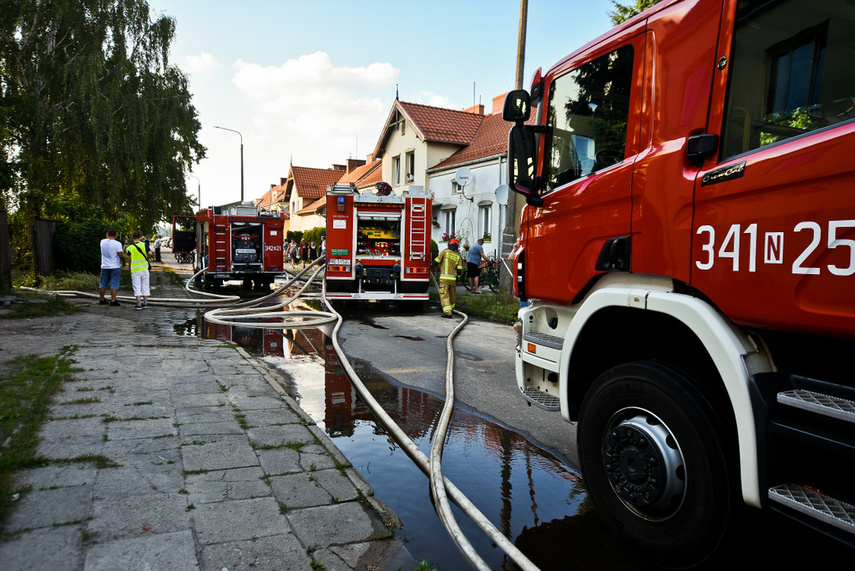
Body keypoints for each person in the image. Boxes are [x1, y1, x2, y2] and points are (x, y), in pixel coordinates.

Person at [432, 238, 462, 318]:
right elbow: (459, 270)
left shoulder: (444, 252)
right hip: (453, 280)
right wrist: (457, 278)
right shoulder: (458, 256)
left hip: (444, 279)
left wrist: (432, 264)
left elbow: (436, 262)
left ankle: (448, 312)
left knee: (444, 295)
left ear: (449, 244)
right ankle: (451, 309)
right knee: (452, 295)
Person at [124, 231, 151, 310]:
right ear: (140, 237)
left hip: (135, 270)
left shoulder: (130, 248)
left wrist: (129, 266)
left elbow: (130, 258)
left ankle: (138, 304)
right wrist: (147, 259)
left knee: (137, 286)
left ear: (132, 237)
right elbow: (150, 253)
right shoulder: (144, 245)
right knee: (145, 286)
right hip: (145, 269)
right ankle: (145, 304)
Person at [99, 229, 126, 306]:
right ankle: (113, 300)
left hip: (104, 265)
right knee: (114, 283)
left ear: (107, 235)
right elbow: (120, 255)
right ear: (115, 235)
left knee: (103, 283)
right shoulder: (117, 244)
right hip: (115, 266)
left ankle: (101, 299)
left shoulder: (102, 242)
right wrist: (124, 262)